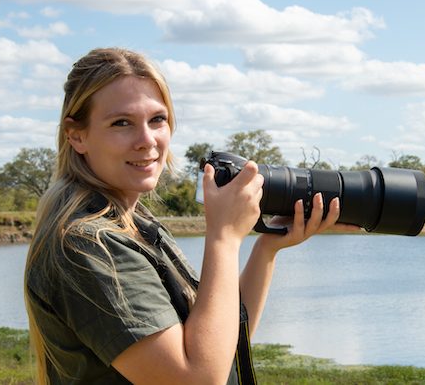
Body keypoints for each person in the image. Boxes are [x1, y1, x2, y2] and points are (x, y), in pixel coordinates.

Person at [24, 47, 348, 384]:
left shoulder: (136, 224)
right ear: (77, 135)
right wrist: (223, 236)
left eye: (157, 119)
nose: (147, 141)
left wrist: (267, 247)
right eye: (122, 123)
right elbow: (199, 379)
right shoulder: (87, 244)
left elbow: (220, 347)